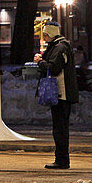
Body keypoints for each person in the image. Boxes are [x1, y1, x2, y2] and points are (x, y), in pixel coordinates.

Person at [35, 21, 77, 169]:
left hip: (61, 94)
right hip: (62, 94)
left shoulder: (59, 48)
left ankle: (62, 160)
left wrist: (40, 62)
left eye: (45, 35)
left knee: (60, 128)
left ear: (50, 34)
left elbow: (53, 68)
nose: (44, 37)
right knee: (60, 127)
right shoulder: (62, 46)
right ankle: (61, 159)